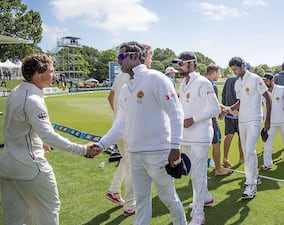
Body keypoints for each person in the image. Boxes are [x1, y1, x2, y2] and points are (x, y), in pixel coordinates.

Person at [0, 53, 101, 225]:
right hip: (30, 166)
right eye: (51, 71)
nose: (54, 75)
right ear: (38, 73)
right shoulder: (32, 100)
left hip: (8, 165)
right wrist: (83, 150)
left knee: (15, 218)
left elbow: (20, 127)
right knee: (49, 211)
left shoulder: (17, 91)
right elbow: (48, 135)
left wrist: (40, 141)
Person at [97, 42, 187, 225]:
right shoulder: (125, 88)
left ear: (135, 57)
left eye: (121, 57)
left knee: (168, 198)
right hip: (135, 154)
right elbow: (120, 125)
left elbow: (176, 113)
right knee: (141, 202)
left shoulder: (156, 78)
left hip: (158, 153)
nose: (119, 61)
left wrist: (175, 147)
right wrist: (101, 145)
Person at [105, 42, 153, 217]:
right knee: (135, 166)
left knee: (126, 160)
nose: (151, 61)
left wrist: (119, 115)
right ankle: (130, 206)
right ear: (143, 56)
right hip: (132, 130)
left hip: (118, 128)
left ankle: (114, 190)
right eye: (150, 57)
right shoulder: (141, 76)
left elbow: (110, 97)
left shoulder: (120, 76)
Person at [174, 52, 221, 225]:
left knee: (199, 174)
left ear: (192, 64)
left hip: (200, 134)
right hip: (185, 137)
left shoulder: (202, 82)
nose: (179, 66)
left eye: (182, 63)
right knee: (193, 173)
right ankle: (205, 197)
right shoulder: (182, 84)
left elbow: (215, 109)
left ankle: (199, 215)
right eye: (178, 63)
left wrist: (193, 120)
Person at [224, 56, 271, 200]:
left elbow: (267, 99)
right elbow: (240, 102)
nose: (235, 72)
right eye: (232, 70)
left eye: (236, 69)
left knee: (249, 151)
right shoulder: (237, 83)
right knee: (248, 152)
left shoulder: (256, 79)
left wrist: (267, 121)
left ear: (243, 66)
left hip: (255, 119)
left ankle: (250, 185)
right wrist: (228, 109)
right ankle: (254, 178)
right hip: (242, 120)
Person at [262, 73, 284, 169]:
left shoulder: (281, 89)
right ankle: (267, 164)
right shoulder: (262, 92)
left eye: (266, 81)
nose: (264, 83)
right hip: (270, 121)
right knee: (267, 143)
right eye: (263, 81)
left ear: (272, 80)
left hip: (283, 120)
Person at [205, 64, 232, 176]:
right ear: (214, 72)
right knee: (216, 142)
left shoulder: (200, 83)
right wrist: (226, 110)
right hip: (210, 119)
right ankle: (218, 169)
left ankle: (204, 166)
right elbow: (214, 103)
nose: (219, 75)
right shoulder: (211, 85)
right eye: (219, 73)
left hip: (201, 119)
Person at [221, 76, 244, 167]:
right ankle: (242, 158)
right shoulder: (241, 80)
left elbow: (223, 94)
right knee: (240, 136)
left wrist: (225, 110)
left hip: (228, 111)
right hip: (238, 112)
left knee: (229, 135)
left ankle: (225, 158)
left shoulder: (228, 79)